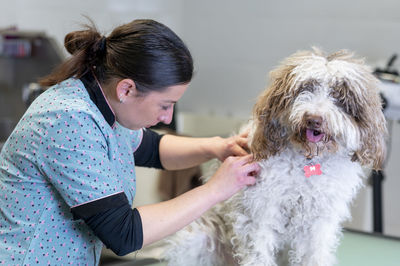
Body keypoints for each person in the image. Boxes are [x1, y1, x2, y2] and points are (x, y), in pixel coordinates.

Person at [0, 19, 260, 265]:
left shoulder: (102, 104)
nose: (167, 117)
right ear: (126, 89)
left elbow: (152, 149)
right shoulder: (69, 119)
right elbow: (124, 234)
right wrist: (216, 189)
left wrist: (216, 147)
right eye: (164, 105)